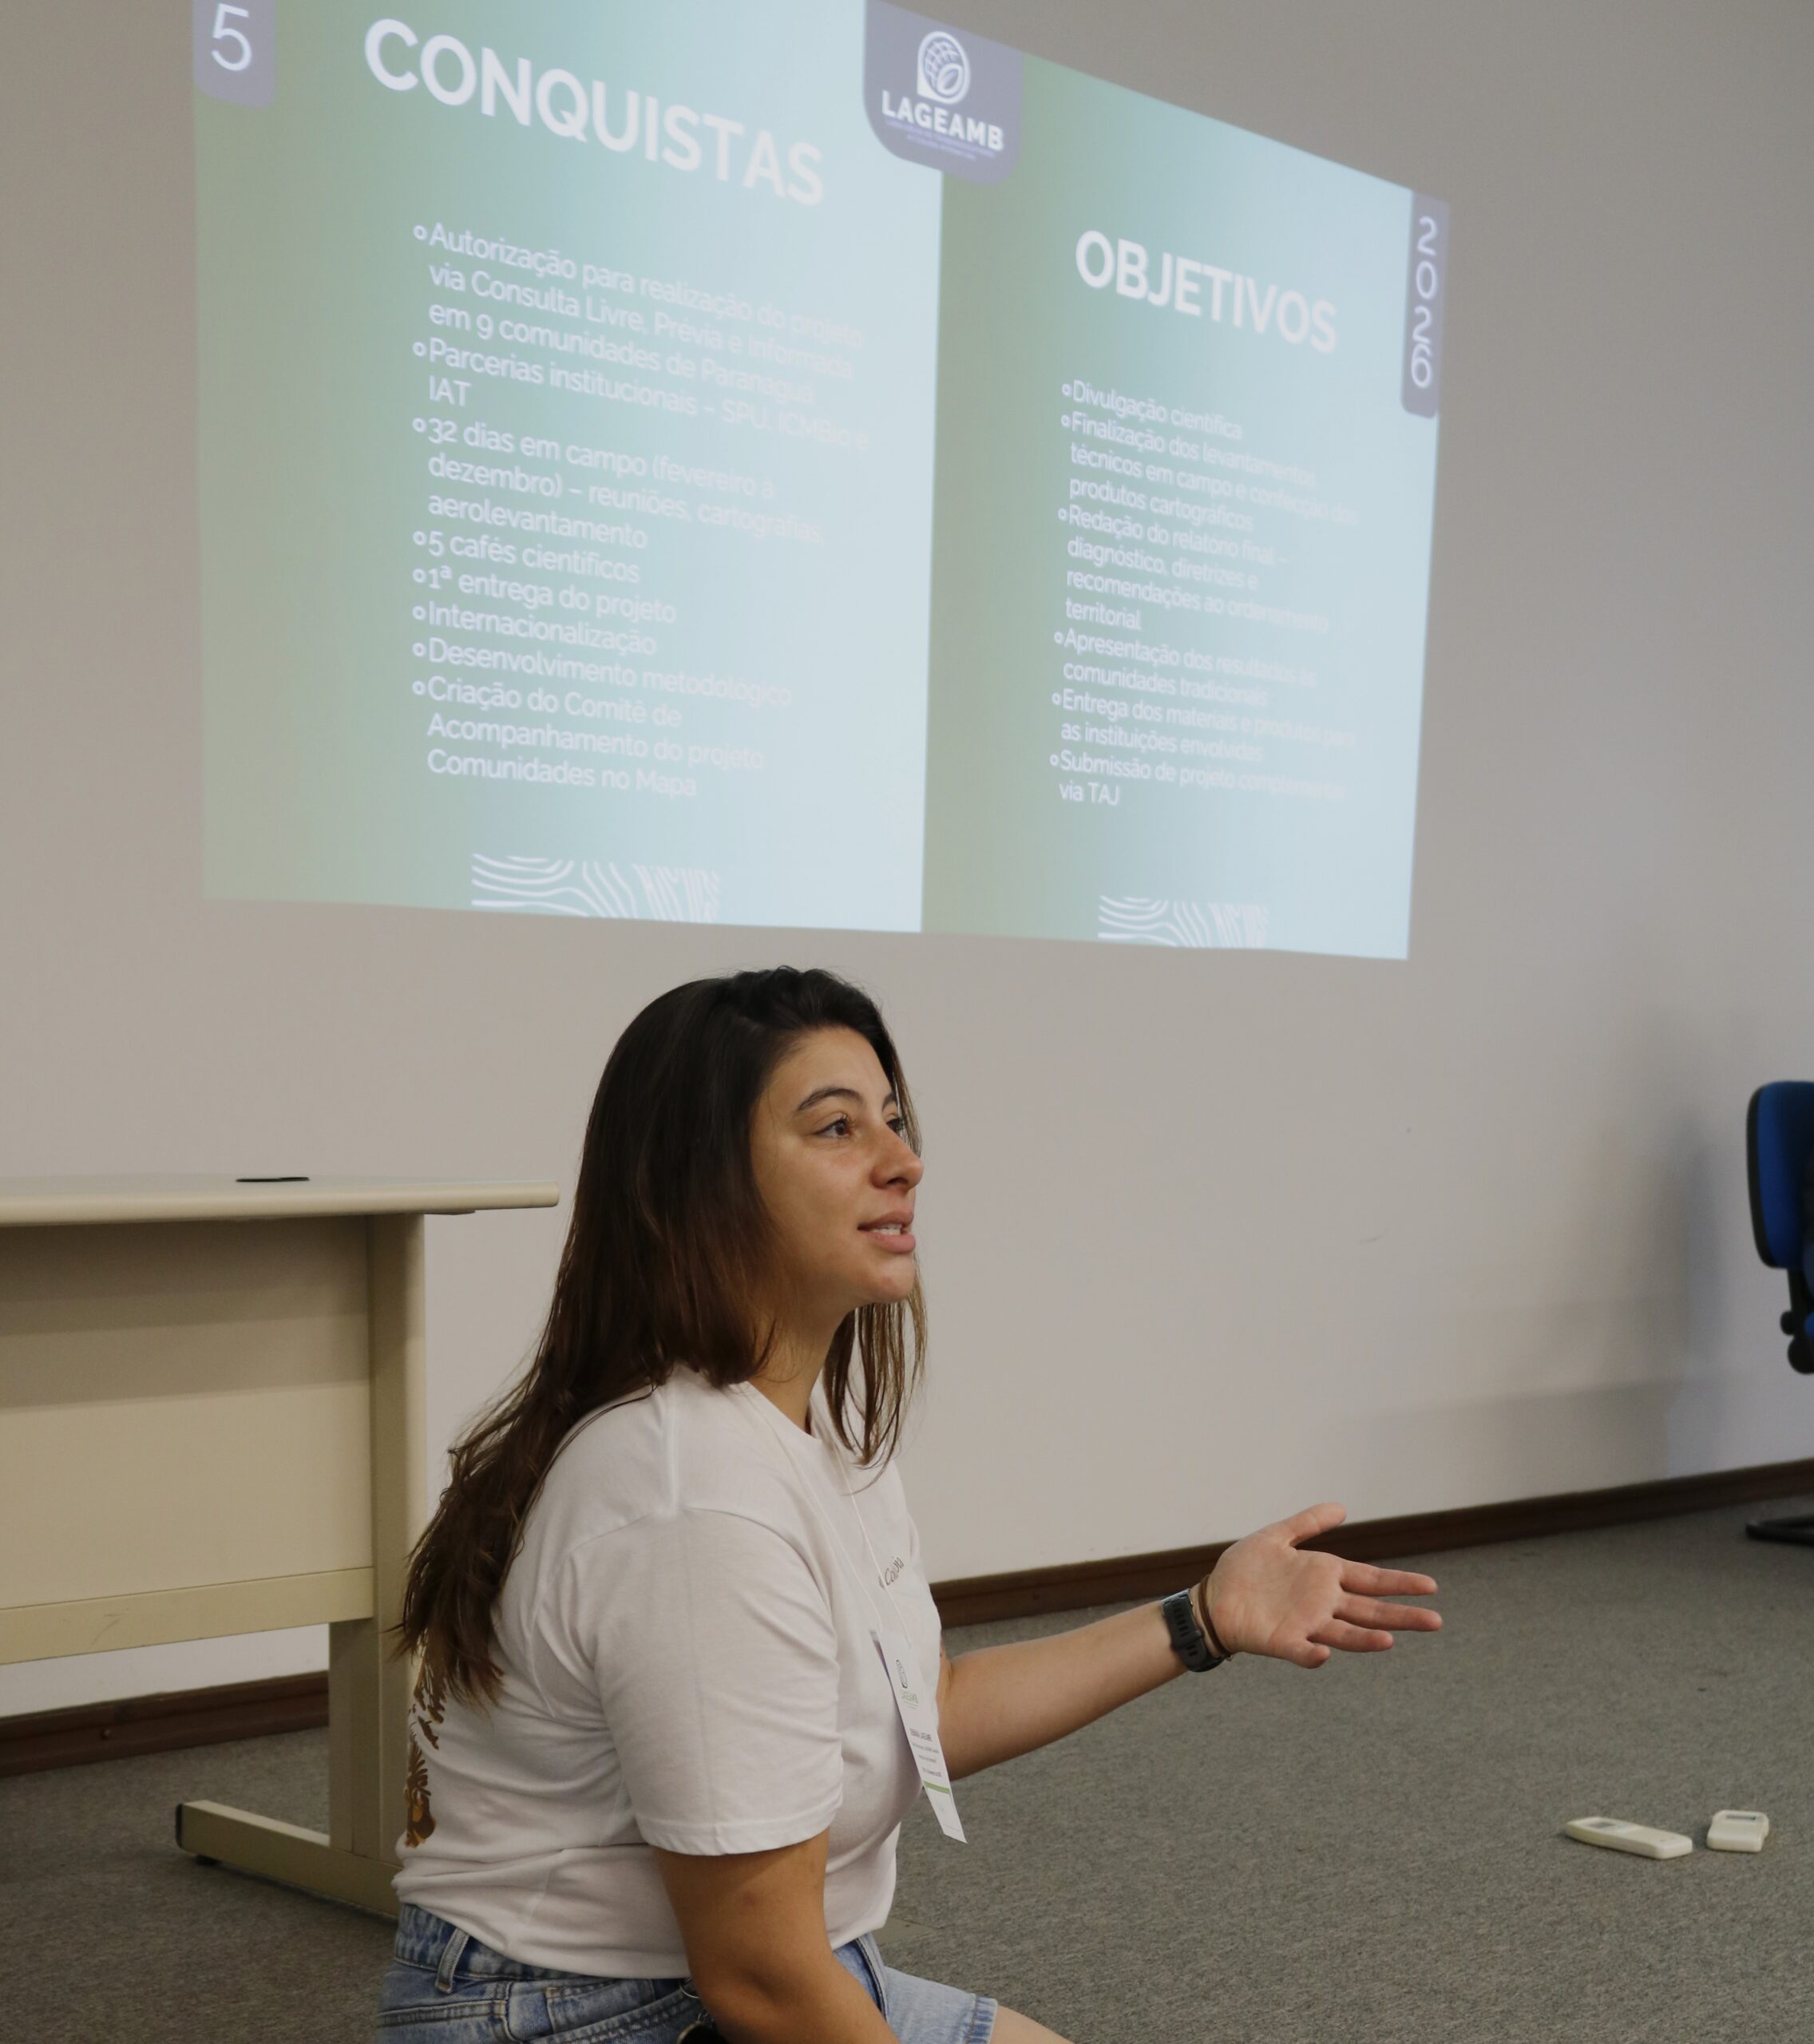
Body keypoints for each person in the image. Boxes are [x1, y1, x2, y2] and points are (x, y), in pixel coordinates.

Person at [378, 967, 1441, 2042]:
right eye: (838, 1129)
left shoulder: (810, 1434)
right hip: (575, 2012)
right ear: (702, 1181)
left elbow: (922, 1707)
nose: (904, 1162)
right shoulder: (692, 1498)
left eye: (893, 1119)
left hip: (732, 1972)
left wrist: (1201, 1619)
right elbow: (760, 1980)